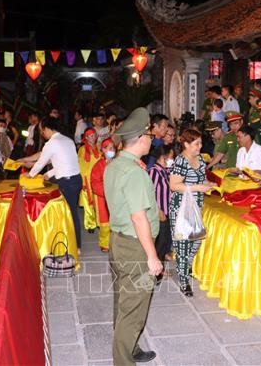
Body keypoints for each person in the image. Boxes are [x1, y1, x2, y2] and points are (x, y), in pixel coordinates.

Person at [104, 107, 162, 365]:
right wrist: (152, 257)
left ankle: (132, 346)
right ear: (140, 138)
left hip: (119, 242)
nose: (152, 138)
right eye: (149, 134)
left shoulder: (115, 165)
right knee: (134, 308)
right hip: (136, 247)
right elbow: (138, 217)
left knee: (123, 298)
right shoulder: (136, 173)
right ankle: (123, 359)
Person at [19, 117, 83, 251]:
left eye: (42, 130)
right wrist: (49, 174)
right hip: (76, 179)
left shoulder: (52, 143)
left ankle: (75, 246)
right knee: (72, 212)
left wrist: (30, 174)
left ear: (47, 128)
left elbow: (41, 162)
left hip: (67, 182)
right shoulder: (67, 140)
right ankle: (74, 243)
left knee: (70, 213)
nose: (42, 133)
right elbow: (65, 162)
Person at [169, 128, 214, 297]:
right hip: (181, 207)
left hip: (196, 206)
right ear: (186, 144)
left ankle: (185, 265)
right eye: (196, 144)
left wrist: (209, 185)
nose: (199, 147)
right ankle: (183, 280)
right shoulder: (181, 161)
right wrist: (197, 187)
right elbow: (174, 185)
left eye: (201, 143)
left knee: (197, 240)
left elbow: (202, 179)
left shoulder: (201, 159)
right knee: (182, 244)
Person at [149, 144, 175, 280]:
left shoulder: (166, 170)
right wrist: (158, 211)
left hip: (168, 211)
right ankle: (156, 273)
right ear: (163, 156)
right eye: (171, 156)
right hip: (160, 213)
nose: (172, 159)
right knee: (160, 243)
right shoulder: (154, 171)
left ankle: (160, 268)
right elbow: (150, 194)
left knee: (164, 243)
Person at [90, 138, 116, 252]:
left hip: (116, 197)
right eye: (109, 148)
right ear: (104, 150)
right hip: (102, 198)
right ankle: (105, 243)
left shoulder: (118, 163)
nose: (112, 151)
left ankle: (116, 243)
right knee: (105, 222)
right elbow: (95, 183)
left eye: (113, 148)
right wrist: (107, 191)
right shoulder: (98, 165)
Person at [78, 127, 102, 233]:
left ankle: (98, 222)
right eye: (90, 136)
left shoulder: (98, 147)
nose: (93, 138)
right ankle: (90, 224)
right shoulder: (83, 149)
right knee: (89, 203)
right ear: (86, 138)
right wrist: (83, 181)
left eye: (94, 135)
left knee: (98, 202)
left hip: (98, 178)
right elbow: (81, 166)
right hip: (87, 179)